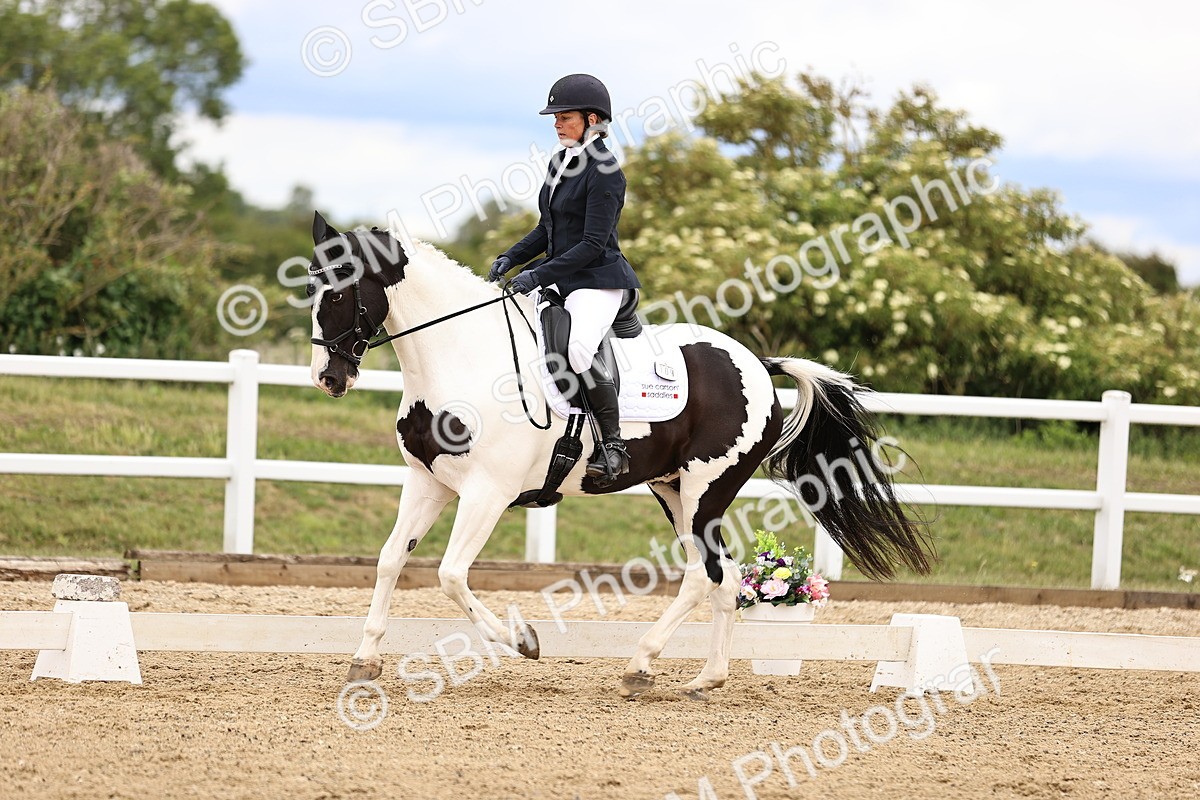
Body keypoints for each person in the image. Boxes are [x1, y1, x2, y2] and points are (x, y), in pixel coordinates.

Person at [488, 73, 641, 486]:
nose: (556, 123)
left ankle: (613, 447)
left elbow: (592, 243)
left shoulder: (606, 171)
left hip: (597, 279)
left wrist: (535, 275)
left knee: (576, 350)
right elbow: (548, 228)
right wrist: (511, 257)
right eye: (554, 116)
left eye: (565, 116)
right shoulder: (560, 160)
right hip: (563, 277)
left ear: (593, 119)